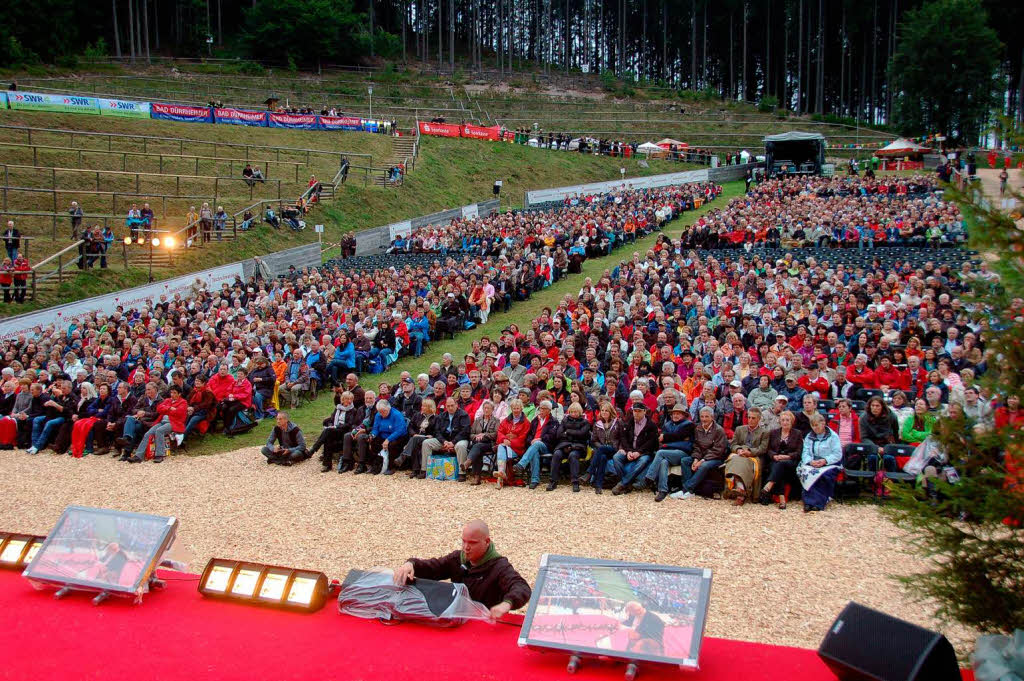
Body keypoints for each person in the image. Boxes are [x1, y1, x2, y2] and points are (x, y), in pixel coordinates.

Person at [392, 520, 532, 619]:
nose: (466, 547)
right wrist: (411, 564)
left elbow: (521, 587)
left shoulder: (499, 567)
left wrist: (506, 604)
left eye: (472, 543)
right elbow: (433, 567)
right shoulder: (457, 558)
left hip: (484, 625)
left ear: (487, 542)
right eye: (463, 541)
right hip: (457, 619)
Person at [671, 407, 728, 500]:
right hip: (701, 456)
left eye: (706, 417)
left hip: (716, 458)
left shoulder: (718, 430)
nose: (704, 419)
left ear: (712, 417)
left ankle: (686, 489)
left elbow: (718, 450)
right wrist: (696, 459)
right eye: (702, 417)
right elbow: (696, 445)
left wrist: (701, 461)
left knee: (704, 466)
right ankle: (691, 491)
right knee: (685, 460)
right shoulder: (698, 428)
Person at [643, 403, 695, 502]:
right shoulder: (667, 425)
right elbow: (664, 438)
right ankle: (662, 490)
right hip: (669, 452)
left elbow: (678, 435)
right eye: (674, 413)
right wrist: (673, 439)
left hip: (683, 452)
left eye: (678, 414)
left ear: (684, 415)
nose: (675, 416)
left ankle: (649, 477)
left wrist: (667, 438)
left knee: (660, 453)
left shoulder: (689, 425)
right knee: (663, 462)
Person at [128, 385, 188, 463]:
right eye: (171, 392)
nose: (172, 394)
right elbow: (159, 408)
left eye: (174, 393)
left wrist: (166, 409)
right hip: (162, 421)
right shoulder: (167, 400)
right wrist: (169, 408)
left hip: (173, 423)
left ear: (179, 394)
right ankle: (138, 456)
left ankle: (159, 454)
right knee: (148, 433)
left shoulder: (183, 402)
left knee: (160, 431)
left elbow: (178, 412)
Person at [723, 406, 770, 505]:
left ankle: (740, 492)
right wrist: (739, 449)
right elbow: (733, 444)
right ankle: (741, 489)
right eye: (749, 417)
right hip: (740, 453)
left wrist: (750, 452)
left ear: (759, 419)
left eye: (753, 418)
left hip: (753, 456)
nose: (750, 420)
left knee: (743, 462)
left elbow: (763, 448)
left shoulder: (764, 432)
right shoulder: (739, 429)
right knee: (735, 459)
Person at [610, 402, 660, 495]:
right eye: (634, 411)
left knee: (643, 461)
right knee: (617, 457)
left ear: (644, 411)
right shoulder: (629, 421)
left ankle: (622, 484)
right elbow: (623, 438)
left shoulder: (651, 425)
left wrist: (639, 452)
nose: (636, 413)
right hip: (630, 449)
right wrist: (628, 451)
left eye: (639, 411)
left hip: (644, 452)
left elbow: (651, 442)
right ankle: (626, 484)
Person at [798, 413, 843, 512]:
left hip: (829, 463)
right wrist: (810, 461)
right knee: (807, 473)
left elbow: (837, 454)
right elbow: (805, 452)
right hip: (813, 462)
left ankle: (817, 503)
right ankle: (808, 503)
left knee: (823, 475)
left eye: (817, 425)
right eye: (813, 425)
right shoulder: (809, 436)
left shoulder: (833, 436)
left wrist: (825, 460)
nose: (815, 428)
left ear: (823, 423)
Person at [419, 396, 471, 480]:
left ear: (456, 405)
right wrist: (444, 442)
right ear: (446, 406)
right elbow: (437, 431)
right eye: (448, 406)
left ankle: (462, 472)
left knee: (461, 446)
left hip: (458, 440)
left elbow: (465, 432)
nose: (450, 408)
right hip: (445, 440)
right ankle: (425, 470)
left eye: (452, 405)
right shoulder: (442, 416)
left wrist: (453, 442)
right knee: (426, 443)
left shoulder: (463, 415)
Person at [760, 410, 801, 509]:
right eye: (783, 420)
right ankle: (782, 499)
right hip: (775, 460)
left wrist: (787, 456)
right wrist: (774, 456)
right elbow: (768, 449)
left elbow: (798, 452)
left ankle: (768, 485)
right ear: (780, 421)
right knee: (779, 469)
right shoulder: (774, 432)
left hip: (790, 461)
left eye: (787, 420)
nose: (785, 422)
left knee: (780, 465)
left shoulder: (797, 433)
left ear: (792, 421)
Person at [548, 402, 590, 492]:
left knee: (573, 455)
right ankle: (553, 481)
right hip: (564, 445)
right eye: (572, 412)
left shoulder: (585, 422)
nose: (573, 414)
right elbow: (559, 434)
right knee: (557, 454)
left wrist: (568, 432)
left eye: (576, 412)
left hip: (579, 447)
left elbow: (582, 435)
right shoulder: (565, 420)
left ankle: (575, 482)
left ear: (580, 412)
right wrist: (572, 436)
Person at [494, 398, 531, 488]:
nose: (516, 410)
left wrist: (509, 442)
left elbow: (523, 438)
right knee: (501, 447)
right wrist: (504, 439)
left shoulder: (526, 423)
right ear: (511, 408)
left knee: (501, 447)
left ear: (521, 409)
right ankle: (501, 475)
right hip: (505, 445)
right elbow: (500, 432)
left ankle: (500, 476)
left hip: (517, 448)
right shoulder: (506, 420)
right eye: (514, 408)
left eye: (518, 408)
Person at [462, 399, 499, 485]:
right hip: (477, 444)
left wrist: (484, 435)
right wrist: (476, 436)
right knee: (478, 448)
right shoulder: (477, 420)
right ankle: (476, 477)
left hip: (489, 444)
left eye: (488, 408)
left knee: (477, 447)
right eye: (485, 408)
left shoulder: (496, 420)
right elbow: (471, 434)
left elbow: (496, 434)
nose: (486, 410)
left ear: (492, 410)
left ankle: (469, 464)